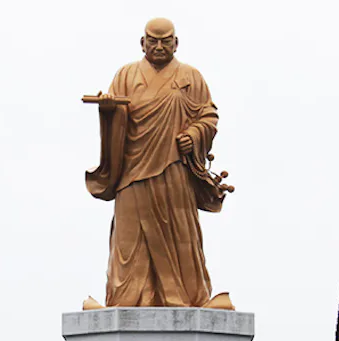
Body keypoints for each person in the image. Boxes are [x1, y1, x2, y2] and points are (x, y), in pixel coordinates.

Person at [85, 17, 232, 308]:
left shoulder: (191, 77)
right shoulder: (126, 75)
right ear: (143, 43)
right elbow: (117, 116)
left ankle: (184, 297)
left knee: (180, 235)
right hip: (133, 170)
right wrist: (108, 110)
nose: (160, 46)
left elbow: (209, 116)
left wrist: (194, 134)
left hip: (174, 169)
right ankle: (128, 298)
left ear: (176, 44)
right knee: (129, 240)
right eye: (153, 41)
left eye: (166, 41)